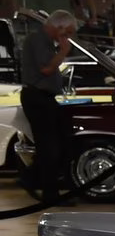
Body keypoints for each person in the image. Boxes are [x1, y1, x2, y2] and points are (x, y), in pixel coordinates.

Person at [18, 11, 77, 203]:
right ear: (59, 27)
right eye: (68, 32)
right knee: (49, 147)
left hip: (45, 98)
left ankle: (31, 177)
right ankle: (49, 193)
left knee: (58, 143)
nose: (68, 37)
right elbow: (46, 69)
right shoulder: (38, 40)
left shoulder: (45, 42)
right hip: (37, 97)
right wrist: (63, 51)